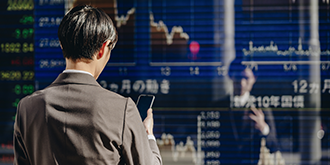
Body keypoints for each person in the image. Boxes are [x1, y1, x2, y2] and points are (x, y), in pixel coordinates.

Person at [13, 5, 162, 165]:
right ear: (102, 48)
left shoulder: (27, 108)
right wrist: (148, 136)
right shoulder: (122, 109)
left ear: (62, 45)